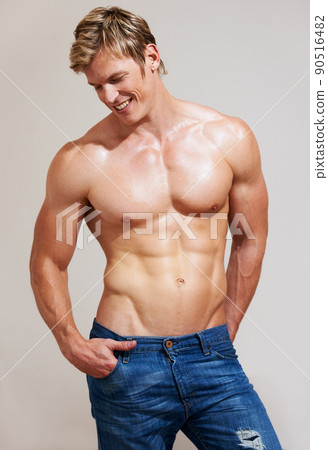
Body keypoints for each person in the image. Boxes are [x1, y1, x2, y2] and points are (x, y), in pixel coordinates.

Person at [29, 6, 282, 450]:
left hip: (212, 355)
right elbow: (49, 259)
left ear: (150, 55)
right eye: (96, 87)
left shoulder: (227, 138)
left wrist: (228, 328)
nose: (109, 96)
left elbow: (249, 240)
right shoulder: (81, 161)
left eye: (116, 78)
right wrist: (70, 342)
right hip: (128, 364)